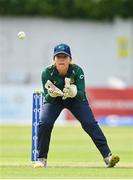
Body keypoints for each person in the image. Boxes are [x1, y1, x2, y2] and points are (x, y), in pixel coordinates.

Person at [34, 43, 120, 168]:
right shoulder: (47, 72)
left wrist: (72, 92)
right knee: (45, 123)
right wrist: (52, 94)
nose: (61, 59)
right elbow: (46, 97)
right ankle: (42, 159)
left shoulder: (77, 70)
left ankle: (108, 157)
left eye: (64, 57)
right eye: (58, 57)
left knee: (89, 123)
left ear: (70, 59)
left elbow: (81, 94)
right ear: (54, 59)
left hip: (75, 100)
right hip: (55, 100)